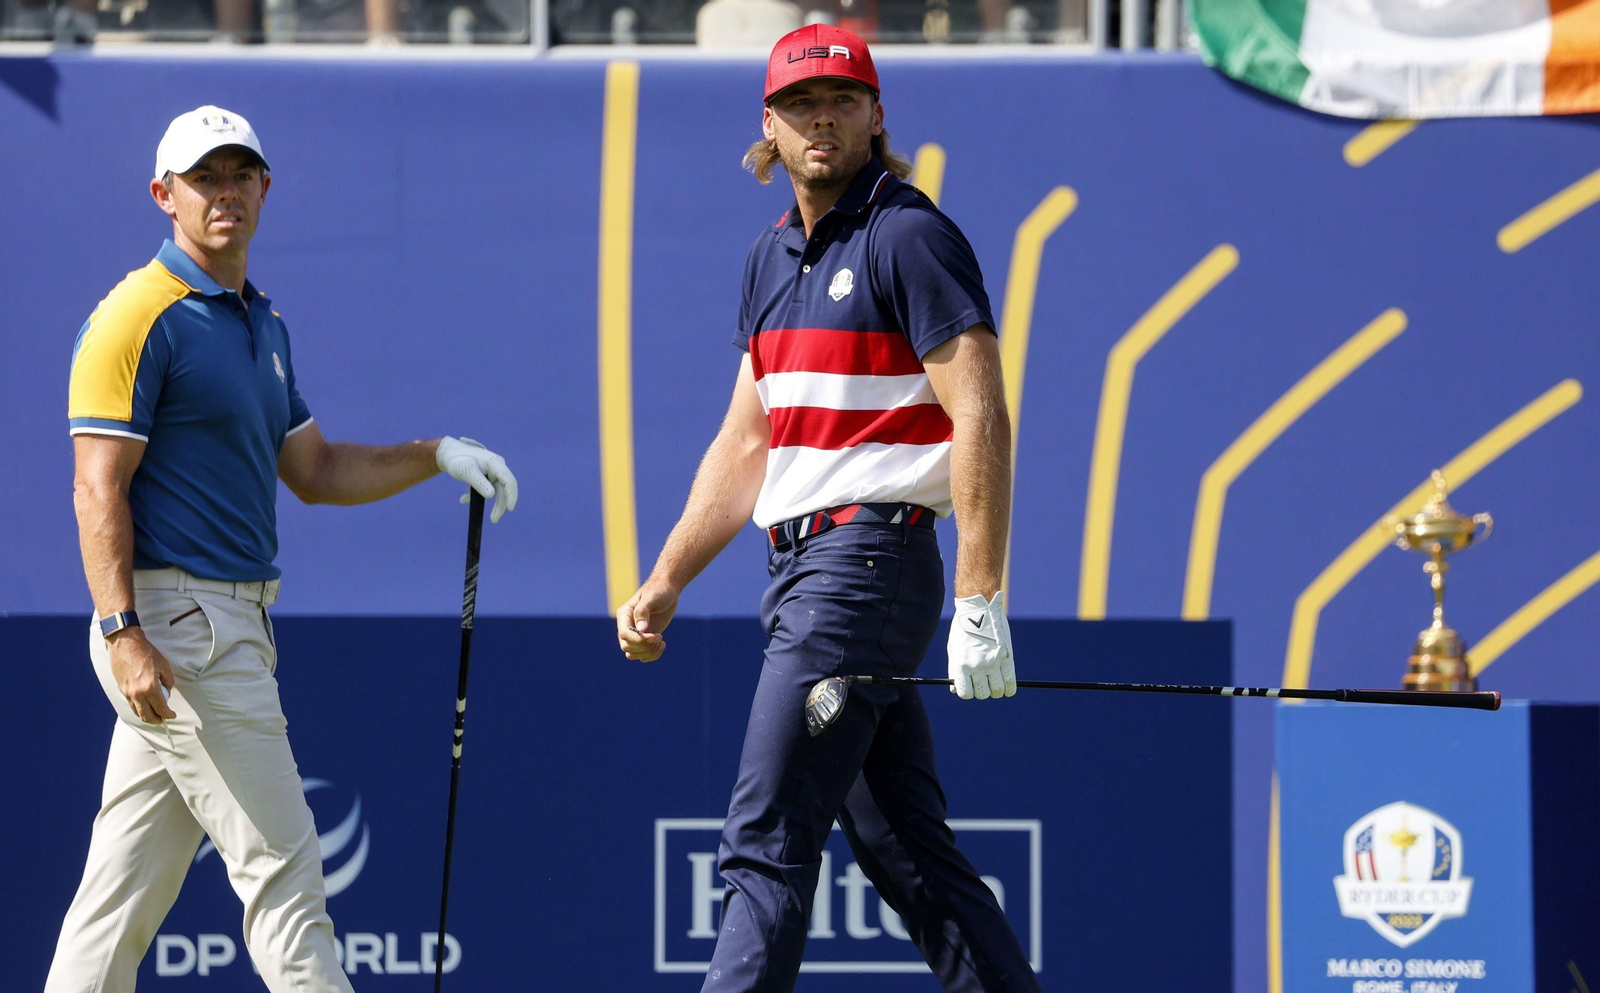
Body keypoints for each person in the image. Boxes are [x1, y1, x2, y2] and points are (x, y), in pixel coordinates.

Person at [48, 105, 518, 993]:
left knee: (117, 898)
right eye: (203, 178)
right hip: (181, 631)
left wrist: (435, 455)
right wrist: (121, 630)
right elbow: (96, 486)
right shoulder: (137, 315)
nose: (224, 192)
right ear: (164, 195)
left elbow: (315, 468)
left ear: (265, 187)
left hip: (219, 628)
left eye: (239, 174)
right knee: (287, 876)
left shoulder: (260, 322)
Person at [616, 24, 1041, 993]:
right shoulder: (768, 260)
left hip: (865, 569)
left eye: (842, 101)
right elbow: (747, 442)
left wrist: (981, 596)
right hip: (803, 574)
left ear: (876, 115)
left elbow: (980, 411)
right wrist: (668, 576)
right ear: (768, 125)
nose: (822, 120)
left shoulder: (910, 235)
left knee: (765, 837)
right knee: (910, 856)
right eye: (800, 105)